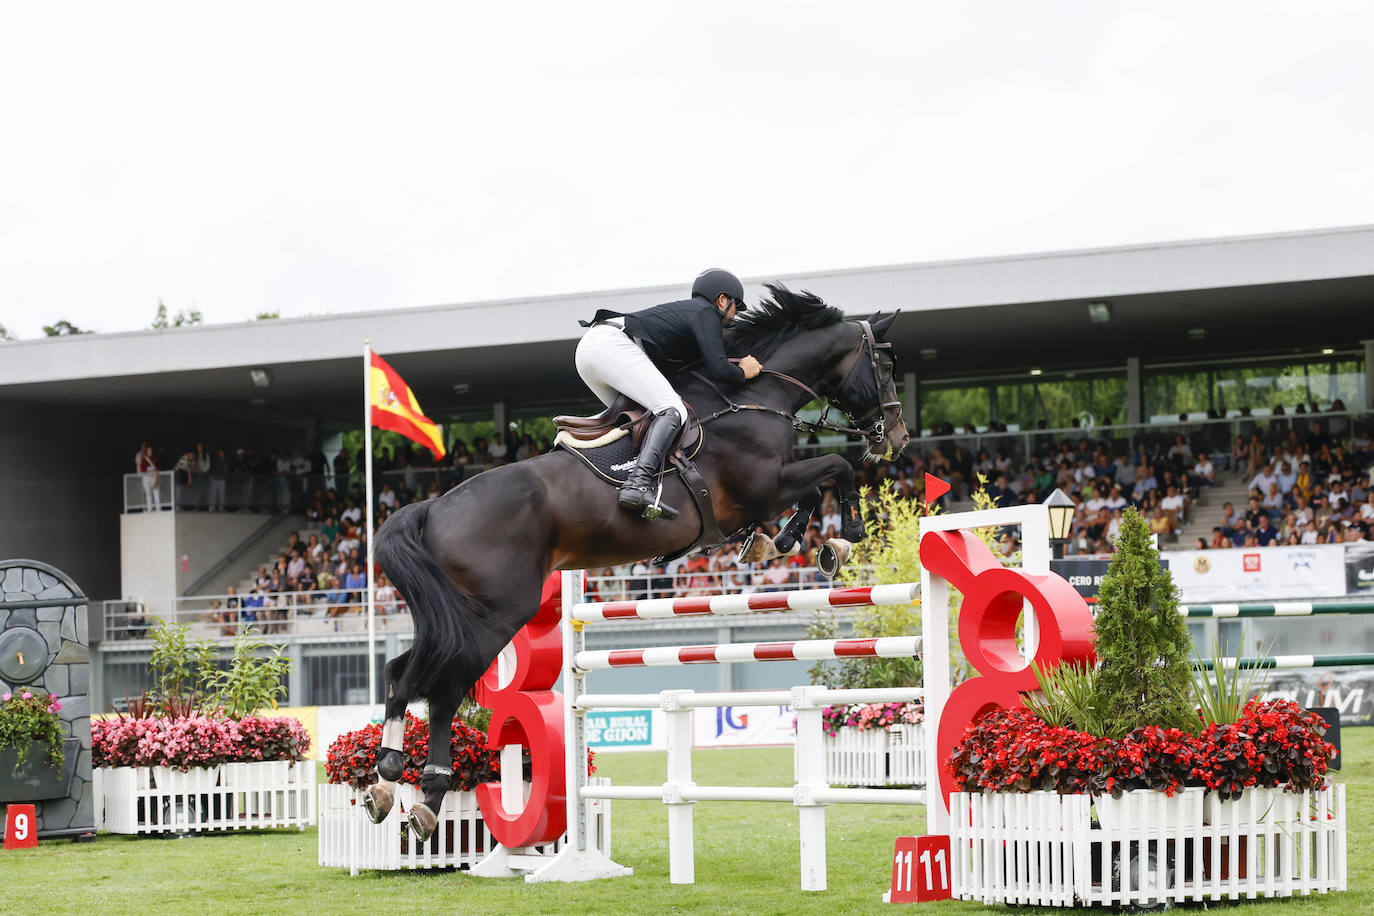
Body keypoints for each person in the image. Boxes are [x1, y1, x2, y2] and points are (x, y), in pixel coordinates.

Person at [576, 268, 762, 520]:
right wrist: (743, 372)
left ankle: (619, 482)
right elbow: (720, 369)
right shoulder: (706, 313)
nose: (734, 315)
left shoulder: (690, 316)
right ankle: (638, 484)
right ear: (722, 300)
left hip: (592, 350)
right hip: (611, 345)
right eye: (735, 307)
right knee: (673, 410)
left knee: (640, 424)